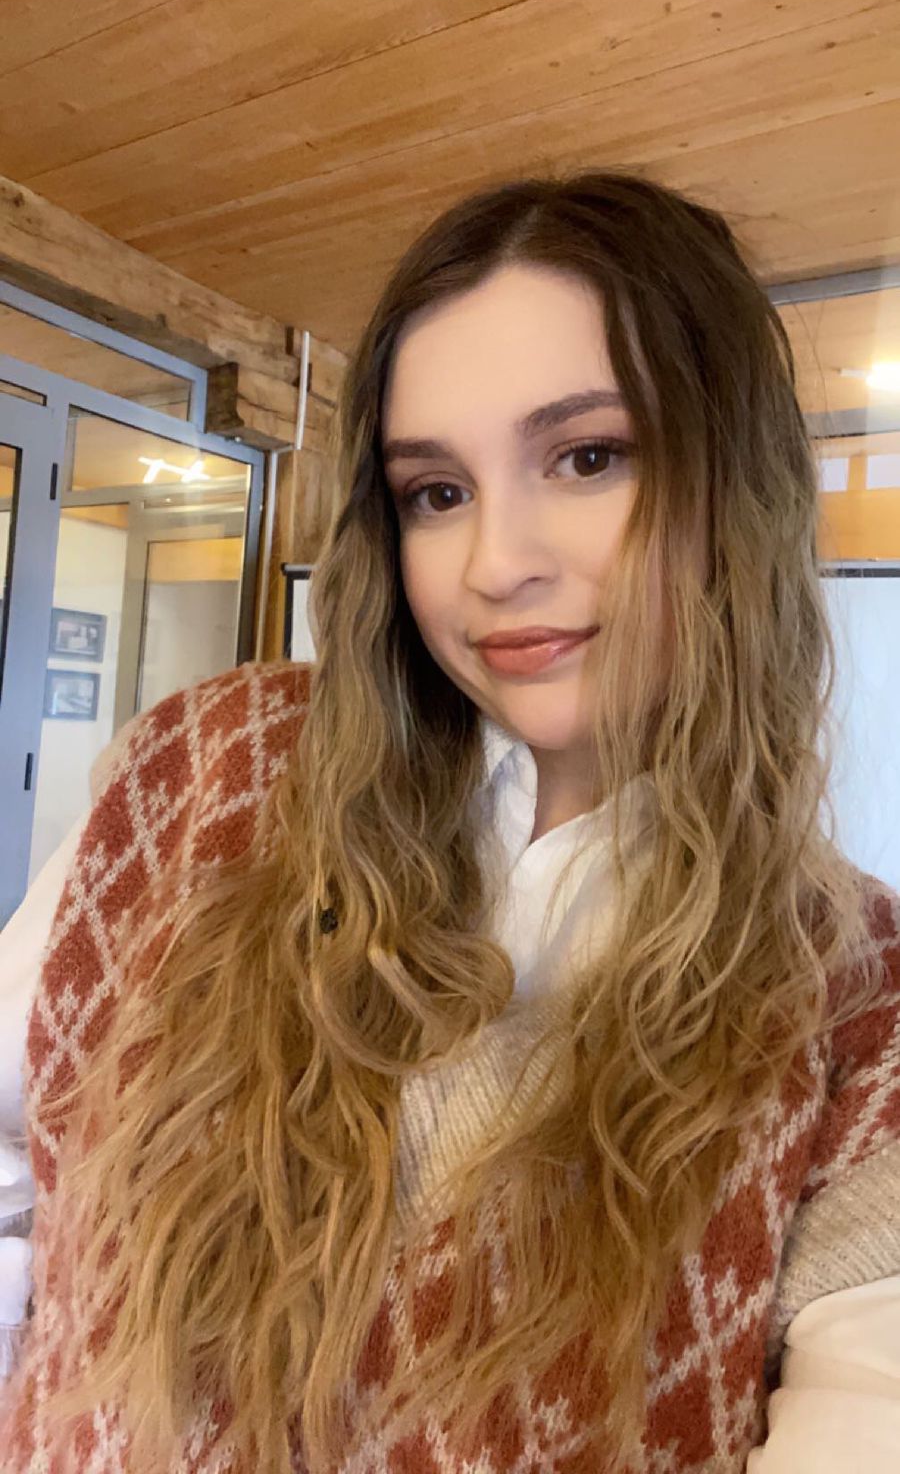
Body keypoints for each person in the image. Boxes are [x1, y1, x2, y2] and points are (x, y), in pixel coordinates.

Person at [1, 172, 898, 1474]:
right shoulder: (201, 777)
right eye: (435, 491)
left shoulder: (856, 995)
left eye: (588, 457)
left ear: (735, 488)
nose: (495, 565)